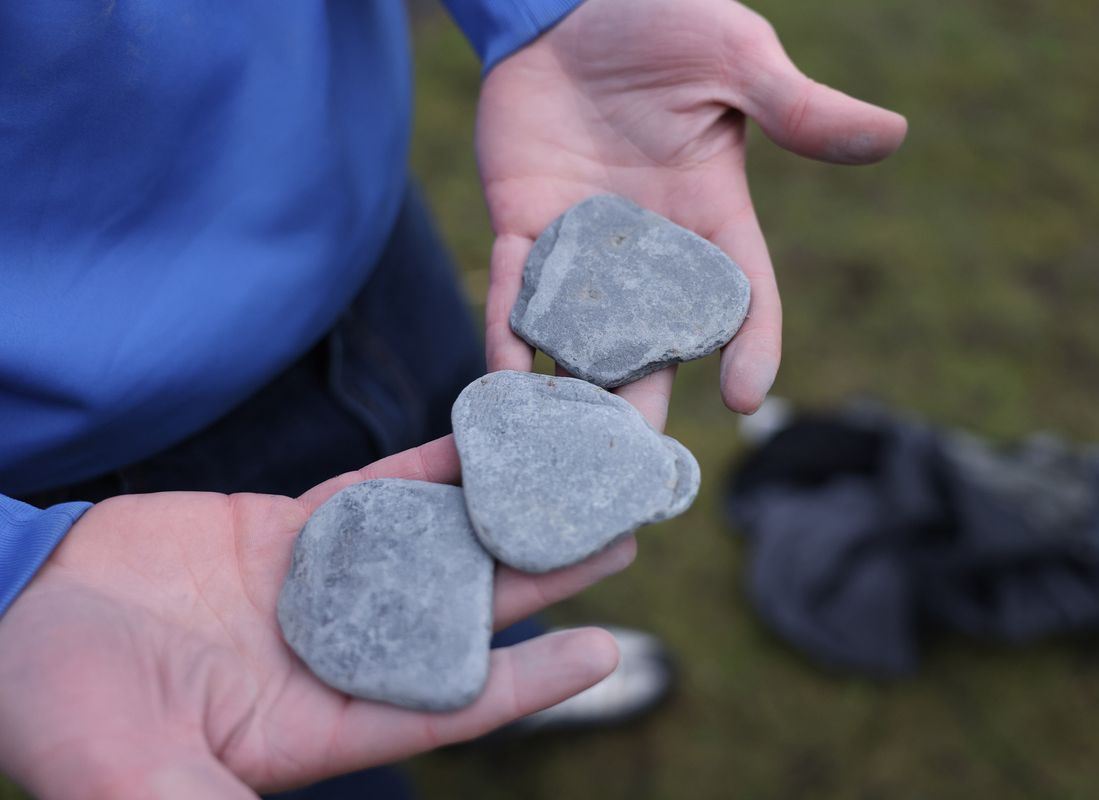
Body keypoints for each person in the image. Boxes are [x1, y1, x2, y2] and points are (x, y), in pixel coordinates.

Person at [0, 0, 906, 796]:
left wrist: (551, 9)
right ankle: (429, 701)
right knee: (277, 717)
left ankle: (501, 675)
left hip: (355, 235)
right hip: (81, 469)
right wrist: (14, 568)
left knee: (476, 491)